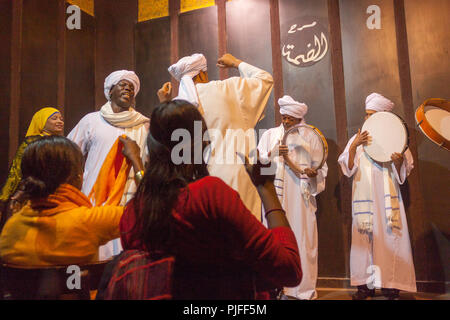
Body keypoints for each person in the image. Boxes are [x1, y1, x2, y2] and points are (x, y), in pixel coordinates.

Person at [118, 100, 302, 300]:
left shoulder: (132, 213)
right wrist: (266, 189)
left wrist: (137, 164)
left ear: (150, 148)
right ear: (203, 143)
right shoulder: (210, 196)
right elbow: (289, 269)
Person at [0, 135, 143, 266]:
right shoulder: (89, 221)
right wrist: (136, 162)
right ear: (77, 178)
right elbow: (151, 210)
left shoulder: (11, 229)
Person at [164, 53, 273, 221]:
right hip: (233, 177)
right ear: (201, 73)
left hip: (195, 184)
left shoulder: (178, 105)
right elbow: (265, 79)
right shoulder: (228, 89)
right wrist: (236, 63)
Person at [338, 93, 417, 300]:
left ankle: (391, 286)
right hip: (364, 202)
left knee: (390, 240)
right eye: (366, 115)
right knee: (364, 242)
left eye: (372, 114)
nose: (367, 119)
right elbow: (347, 167)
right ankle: (365, 287)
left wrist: (398, 161)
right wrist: (355, 145)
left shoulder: (397, 137)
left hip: (387, 203)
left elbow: (404, 173)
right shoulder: (357, 138)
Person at [67, 70, 149, 260]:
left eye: (131, 87)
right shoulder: (92, 120)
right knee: (94, 259)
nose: (128, 88)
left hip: (130, 203)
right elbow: (68, 154)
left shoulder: (144, 125)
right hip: (95, 201)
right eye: (122, 84)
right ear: (110, 91)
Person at [257, 95, 328, 300]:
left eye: (291, 119)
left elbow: (321, 166)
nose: (286, 122)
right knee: (275, 241)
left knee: (302, 240)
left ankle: (302, 291)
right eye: (284, 118)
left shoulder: (311, 137)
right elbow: (258, 163)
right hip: (275, 196)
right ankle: (275, 288)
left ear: (299, 120)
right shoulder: (270, 135)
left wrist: (314, 174)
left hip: (300, 198)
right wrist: (272, 154)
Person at [0, 107, 64, 228]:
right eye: (54, 118)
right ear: (41, 121)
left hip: (56, 195)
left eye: (61, 119)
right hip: (33, 194)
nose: (59, 121)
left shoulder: (63, 143)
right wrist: (3, 199)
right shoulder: (31, 143)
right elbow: (16, 171)